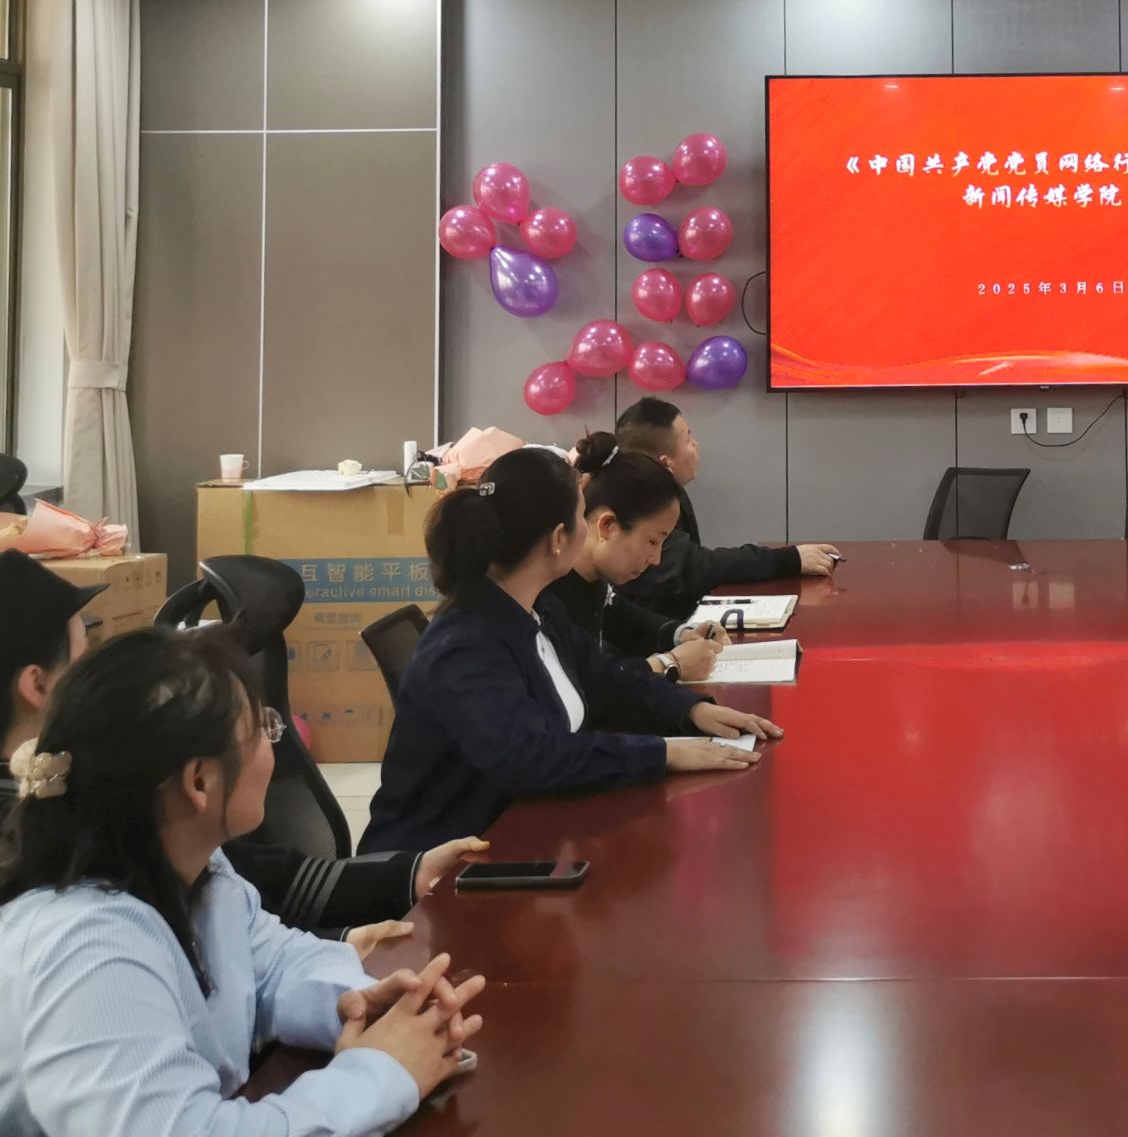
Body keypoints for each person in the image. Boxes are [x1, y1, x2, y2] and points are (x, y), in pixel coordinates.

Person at [0, 629, 486, 1135]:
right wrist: (380, 1073)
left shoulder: (198, 872)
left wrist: (354, 1003)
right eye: (261, 731)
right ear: (200, 782)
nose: (272, 747)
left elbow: (272, 964)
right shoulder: (88, 950)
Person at [0, 551, 483, 947]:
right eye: (86, 654)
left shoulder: (81, 790)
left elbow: (252, 931)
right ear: (36, 685)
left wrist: (374, 912)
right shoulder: (89, 892)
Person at [362, 447, 782, 853]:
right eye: (581, 515)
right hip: (440, 868)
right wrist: (662, 753)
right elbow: (531, 758)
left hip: (522, 833)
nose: (588, 527)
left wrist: (690, 711)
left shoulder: (539, 608)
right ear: (559, 539)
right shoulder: (465, 646)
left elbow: (604, 677)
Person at [613, 397, 841, 619]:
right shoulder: (640, 505)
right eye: (689, 439)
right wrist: (789, 560)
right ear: (665, 463)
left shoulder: (667, 494)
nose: (696, 445)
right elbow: (694, 567)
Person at [545, 430, 728, 676]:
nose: (656, 559)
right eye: (652, 541)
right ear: (607, 526)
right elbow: (585, 681)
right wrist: (669, 664)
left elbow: (627, 619)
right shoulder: (549, 593)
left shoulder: (593, 579)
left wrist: (683, 634)